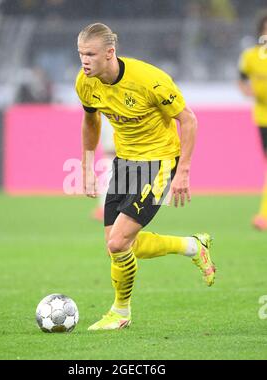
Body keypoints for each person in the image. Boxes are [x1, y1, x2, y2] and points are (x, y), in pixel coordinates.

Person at [76, 23, 216, 331]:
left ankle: (120, 312)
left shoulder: (149, 80)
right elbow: (90, 120)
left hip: (160, 161)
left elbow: (188, 120)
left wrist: (184, 171)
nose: (84, 61)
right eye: (81, 54)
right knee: (125, 245)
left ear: (110, 53)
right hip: (125, 163)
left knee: (117, 243)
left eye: (90, 54)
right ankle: (193, 246)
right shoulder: (86, 83)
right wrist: (87, 164)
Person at [238, 14, 267, 231]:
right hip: (263, 117)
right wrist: (249, 91)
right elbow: (241, 77)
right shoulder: (251, 56)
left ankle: (263, 216)